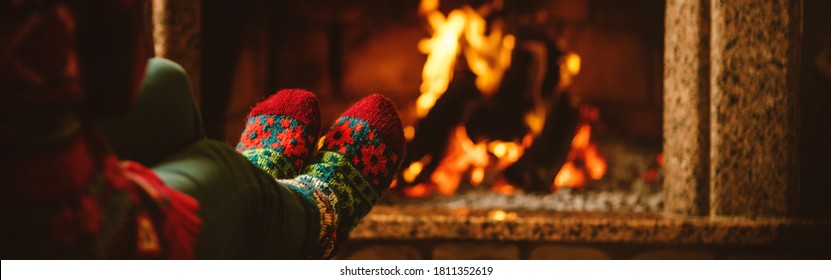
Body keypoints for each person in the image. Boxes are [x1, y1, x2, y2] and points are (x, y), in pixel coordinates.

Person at [1, 0, 405, 259]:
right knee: (227, 174)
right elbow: (114, 78)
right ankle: (320, 215)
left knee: (167, 86)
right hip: (52, 241)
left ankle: (262, 190)